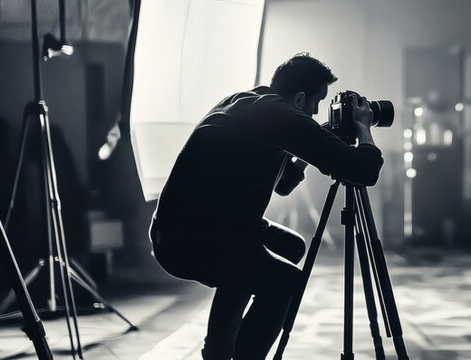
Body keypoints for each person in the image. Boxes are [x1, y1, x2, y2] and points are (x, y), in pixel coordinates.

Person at [148, 53, 383, 360]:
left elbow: (283, 185)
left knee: (290, 246)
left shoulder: (247, 102)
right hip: (193, 242)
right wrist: (364, 127)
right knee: (286, 283)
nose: (314, 113)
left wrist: (313, 141)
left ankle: (218, 351)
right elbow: (363, 171)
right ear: (299, 98)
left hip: (185, 229)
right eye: (315, 103)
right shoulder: (281, 117)